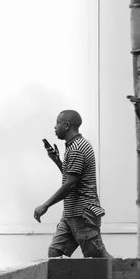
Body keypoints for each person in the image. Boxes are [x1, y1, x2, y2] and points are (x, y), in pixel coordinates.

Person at [34, 109, 106, 258]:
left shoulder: (77, 149)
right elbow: (72, 179)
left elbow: (70, 185)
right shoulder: (74, 146)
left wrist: (45, 205)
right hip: (71, 213)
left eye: (57, 123)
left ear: (66, 125)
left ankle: (130, 278)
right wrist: (57, 161)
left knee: (97, 259)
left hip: (83, 214)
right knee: (55, 253)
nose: (55, 127)